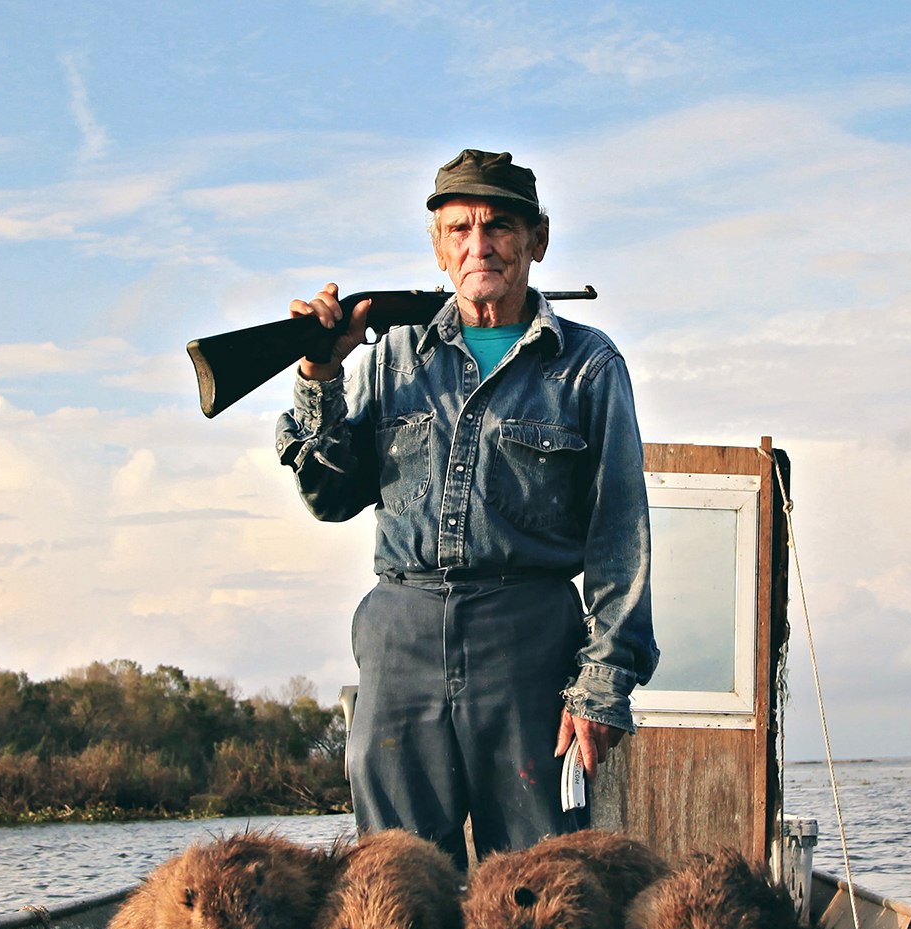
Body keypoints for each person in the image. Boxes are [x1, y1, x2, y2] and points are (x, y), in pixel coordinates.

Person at [278, 148, 656, 864]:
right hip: (401, 634)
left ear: (535, 241)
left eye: (499, 227)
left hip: (531, 640)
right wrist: (319, 369)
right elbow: (328, 497)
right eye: (459, 229)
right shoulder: (391, 356)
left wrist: (601, 683)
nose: (478, 246)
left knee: (540, 884)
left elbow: (620, 535)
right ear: (437, 245)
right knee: (397, 877)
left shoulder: (587, 364)